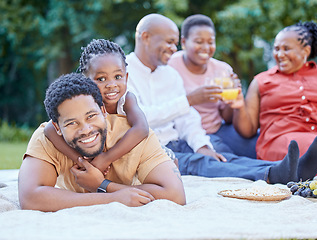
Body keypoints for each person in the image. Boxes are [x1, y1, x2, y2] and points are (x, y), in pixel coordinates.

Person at [125, 13, 317, 184]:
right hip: (151, 149)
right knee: (201, 163)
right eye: (169, 42)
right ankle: (271, 175)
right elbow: (140, 120)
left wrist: (203, 146)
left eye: (174, 42)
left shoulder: (169, 74)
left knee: (221, 157)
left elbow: (187, 118)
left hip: (178, 140)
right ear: (146, 37)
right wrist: (188, 100)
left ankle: (294, 169)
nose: (173, 48)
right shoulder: (123, 72)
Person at [18, 73, 186, 212]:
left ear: (103, 111)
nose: (85, 129)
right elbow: (30, 197)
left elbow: (176, 195)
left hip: (150, 155)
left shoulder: (134, 136)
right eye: (71, 123)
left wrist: (103, 185)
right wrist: (110, 198)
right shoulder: (46, 137)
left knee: (170, 162)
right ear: (57, 127)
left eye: (91, 116)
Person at [232, 21, 317, 180]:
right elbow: (248, 130)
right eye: (276, 48)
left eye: (286, 48)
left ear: (306, 50)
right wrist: (238, 106)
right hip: (283, 139)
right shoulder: (261, 81)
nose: (279, 54)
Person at [44, 39, 177, 173]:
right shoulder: (83, 103)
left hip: (129, 151)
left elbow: (141, 129)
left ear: (126, 76)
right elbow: (50, 129)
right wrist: (82, 161)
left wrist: (106, 159)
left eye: (118, 76)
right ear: (85, 79)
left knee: (171, 160)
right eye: (101, 79)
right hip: (96, 152)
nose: (112, 84)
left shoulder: (127, 100)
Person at [168, 14, 258, 158]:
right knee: (224, 157)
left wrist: (232, 100)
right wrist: (194, 98)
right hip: (185, 135)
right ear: (184, 42)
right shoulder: (170, 66)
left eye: (211, 42)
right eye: (199, 41)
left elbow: (227, 117)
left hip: (217, 129)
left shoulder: (222, 69)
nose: (206, 47)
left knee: (257, 145)